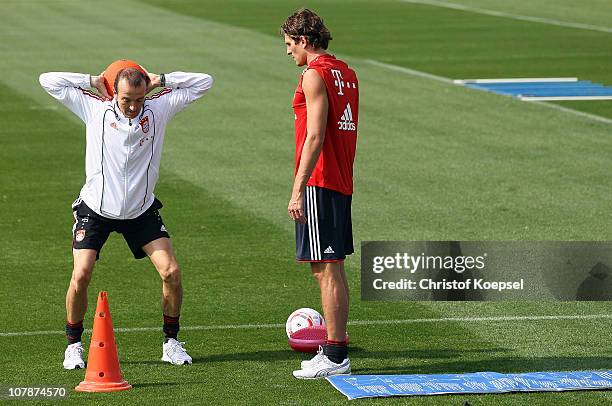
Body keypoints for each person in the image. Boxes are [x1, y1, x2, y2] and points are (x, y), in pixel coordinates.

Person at [39, 64, 213, 368]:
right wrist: (94, 81)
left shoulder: (158, 109)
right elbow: (48, 81)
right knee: (81, 274)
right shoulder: (95, 108)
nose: (133, 106)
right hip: (97, 208)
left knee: (171, 272)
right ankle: (74, 345)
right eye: (126, 100)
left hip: (140, 210)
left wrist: (161, 79)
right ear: (114, 94)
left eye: (138, 99)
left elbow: (204, 82)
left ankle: (171, 342)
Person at [281, 9, 359, 379]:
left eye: (289, 44)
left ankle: (335, 355)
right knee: (334, 267)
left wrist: (298, 189)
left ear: (304, 41)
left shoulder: (314, 75)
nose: (287, 52)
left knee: (325, 270)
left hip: (320, 181)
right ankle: (336, 349)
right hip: (341, 180)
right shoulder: (346, 72)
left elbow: (315, 135)